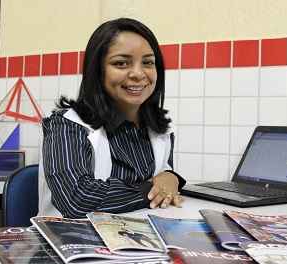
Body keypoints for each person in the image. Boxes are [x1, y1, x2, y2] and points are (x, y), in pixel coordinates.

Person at [38, 18, 185, 218]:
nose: (138, 73)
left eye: (148, 62)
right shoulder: (66, 125)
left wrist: (172, 177)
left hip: (138, 240)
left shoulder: (160, 129)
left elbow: (165, 178)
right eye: (121, 63)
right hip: (73, 242)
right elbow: (77, 200)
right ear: (97, 70)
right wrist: (151, 188)